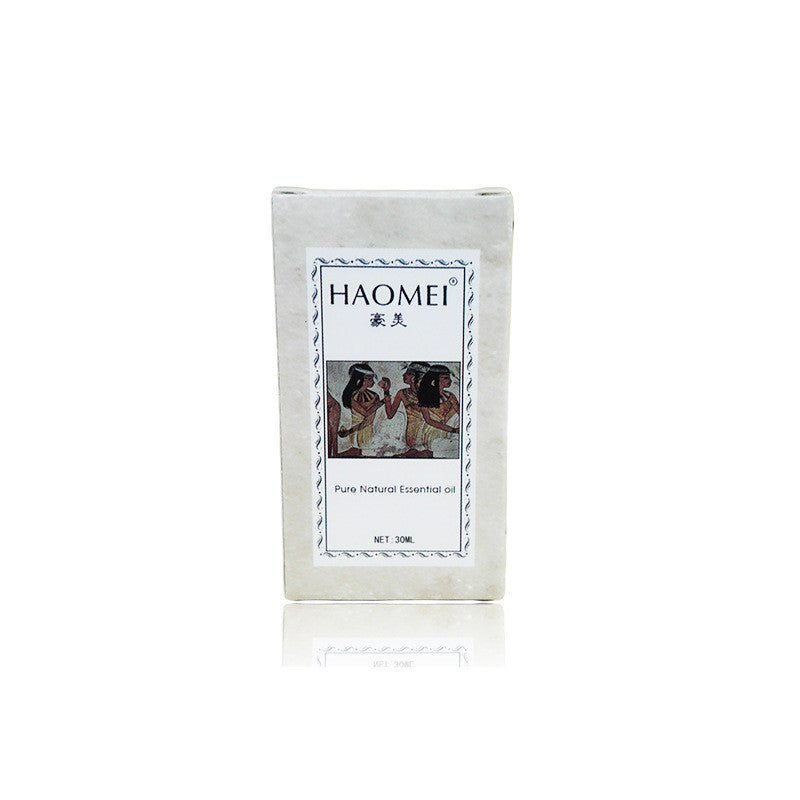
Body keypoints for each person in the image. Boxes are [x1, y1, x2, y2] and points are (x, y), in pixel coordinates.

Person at [378, 361, 430, 452]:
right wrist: (386, 391)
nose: (404, 375)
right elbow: (390, 414)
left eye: (408, 373)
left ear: (415, 377)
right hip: (412, 435)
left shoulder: (428, 394)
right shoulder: (402, 393)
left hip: (428, 432)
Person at [338, 363, 381, 452]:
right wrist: (382, 402)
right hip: (356, 434)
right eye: (370, 379)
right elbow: (366, 413)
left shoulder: (374, 396)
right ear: (360, 379)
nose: (373, 382)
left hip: (368, 432)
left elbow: (369, 420)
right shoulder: (352, 396)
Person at [417, 364, 460, 450]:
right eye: (446, 378)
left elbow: (459, 412)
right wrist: (453, 430)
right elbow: (429, 421)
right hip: (433, 431)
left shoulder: (450, 396)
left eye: (449, 378)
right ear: (434, 380)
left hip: (448, 429)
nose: (450, 381)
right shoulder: (425, 397)